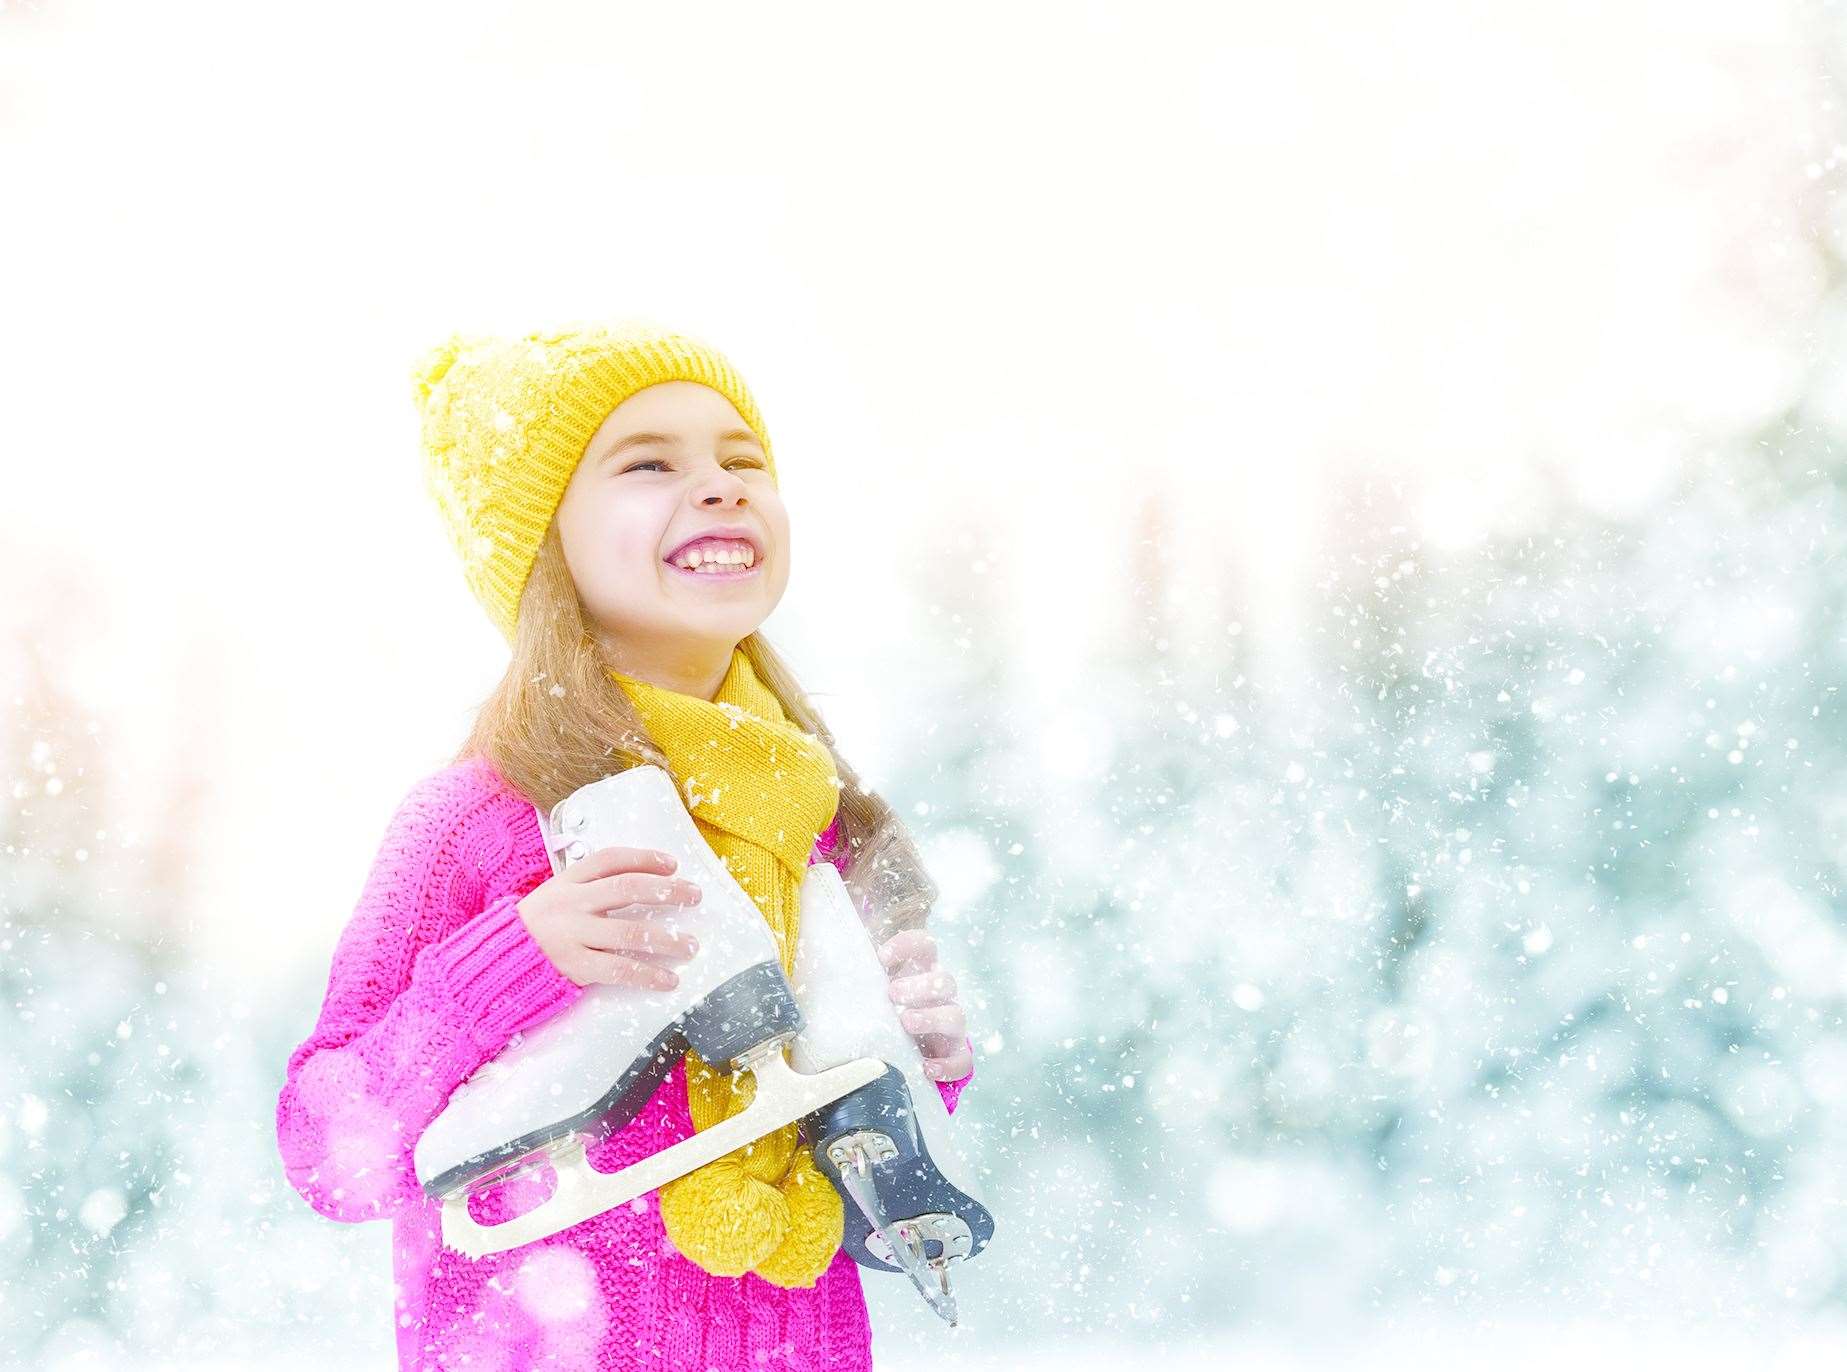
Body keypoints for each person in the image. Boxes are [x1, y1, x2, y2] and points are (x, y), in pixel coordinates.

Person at [274, 321, 976, 1370]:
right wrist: (513, 962)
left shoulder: (811, 814)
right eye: (649, 463)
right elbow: (328, 1154)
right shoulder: (476, 820)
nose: (721, 485)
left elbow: (834, 1127)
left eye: (743, 460)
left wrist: (913, 1061)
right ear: (543, 546)